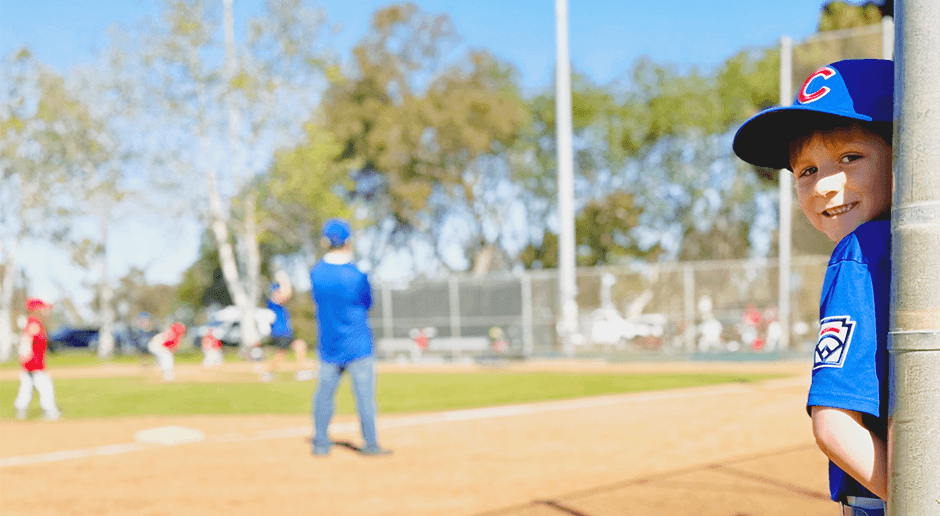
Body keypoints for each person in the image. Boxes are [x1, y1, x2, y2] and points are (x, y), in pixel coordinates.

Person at [733, 59, 893, 515]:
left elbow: (834, 426)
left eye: (849, 157)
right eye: (805, 170)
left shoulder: (859, 253)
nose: (824, 185)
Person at [309, 218, 391, 457]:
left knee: (324, 396)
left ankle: (321, 444)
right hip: (358, 344)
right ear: (348, 241)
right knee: (365, 398)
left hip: (328, 345)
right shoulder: (356, 273)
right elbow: (368, 302)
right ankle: (371, 444)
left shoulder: (317, 273)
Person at [14, 298, 61, 421]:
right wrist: (24, 355)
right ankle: (51, 411)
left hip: (32, 362)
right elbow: (26, 341)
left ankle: (20, 411)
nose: (46, 311)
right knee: (45, 386)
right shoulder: (34, 323)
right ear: (36, 310)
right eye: (43, 308)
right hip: (34, 363)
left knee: (26, 387)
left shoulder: (35, 322)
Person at [261, 279, 311, 382]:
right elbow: (286, 295)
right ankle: (268, 372)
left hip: (286, 333)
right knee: (281, 354)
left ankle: (300, 372)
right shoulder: (273, 302)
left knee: (300, 346)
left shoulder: (279, 304)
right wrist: (285, 282)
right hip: (281, 333)